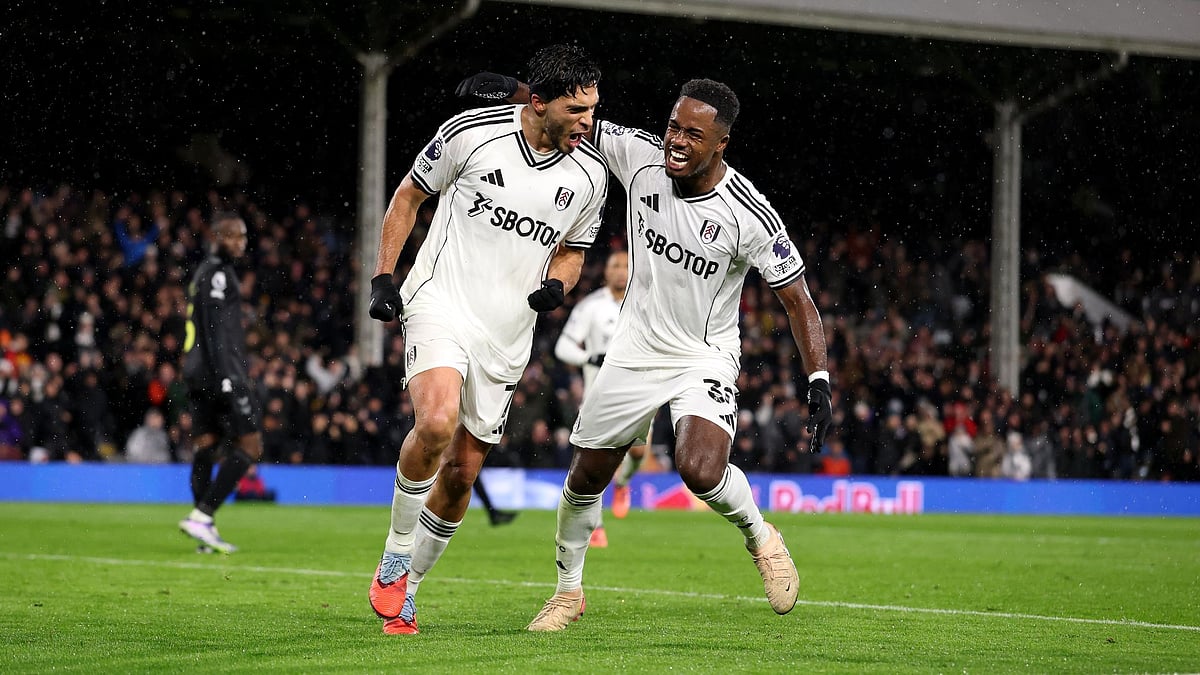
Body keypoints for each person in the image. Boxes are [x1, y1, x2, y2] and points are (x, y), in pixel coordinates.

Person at [458, 75, 833, 630]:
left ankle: (762, 536)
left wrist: (818, 378)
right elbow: (574, 115)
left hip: (701, 356)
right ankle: (567, 593)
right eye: (673, 127)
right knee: (584, 479)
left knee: (699, 468)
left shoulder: (748, 214)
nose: (676, 141)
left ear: (721, 144)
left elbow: (798, 300)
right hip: (632, 352)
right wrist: (517, 90)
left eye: (693, 135)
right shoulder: (639, 157)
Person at [364, 45, 608, 636]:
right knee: (436, 423)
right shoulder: (471, 134)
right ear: (539, 103)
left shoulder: (591, 176)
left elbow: (573, 250)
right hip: (441, 302)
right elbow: (408, 197)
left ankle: (409, 590)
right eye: (577, 110)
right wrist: (384, 277)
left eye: (593, 109)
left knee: (461, 474)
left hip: (507, 333)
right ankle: (395, 552)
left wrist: (558, 284)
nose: (589, 122)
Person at [177, 212, 264, 554]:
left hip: (198, 372)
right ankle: (203, 515)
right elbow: (214, 330)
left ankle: (203, 531)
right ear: (217, 237)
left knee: (206, 445)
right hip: (218, 373)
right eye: (233, 236)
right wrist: (228, 377)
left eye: (243, 236)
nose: (241, 243)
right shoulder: (217, 274)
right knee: (251, 445)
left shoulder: (205, 271)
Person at [553, 249, 647, 548]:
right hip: (598, 395)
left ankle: (623, 483)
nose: (621, 270)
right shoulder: (591, 306)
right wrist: (588, 357)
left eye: (626, 265)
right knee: (596, 460)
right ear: (606, 271)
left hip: (639, 392)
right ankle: (597, 526)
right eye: (615, 265)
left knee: (637, 453)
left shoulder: (646, 304)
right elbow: (562, 347)